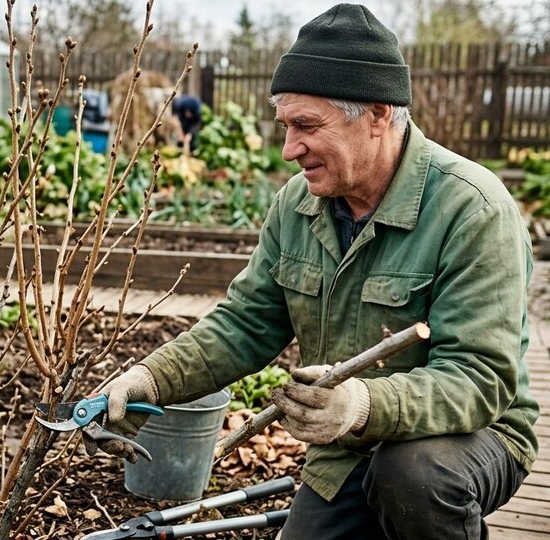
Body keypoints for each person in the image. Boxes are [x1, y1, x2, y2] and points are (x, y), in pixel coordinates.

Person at [89, 4, 538, 539]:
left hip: (469, 436)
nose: (288, 148)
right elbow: (246, 323)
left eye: (306, 125)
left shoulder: (472, 208)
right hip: (347, 446)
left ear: (376, 115)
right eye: (285, 125)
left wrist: (362, 405)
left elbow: (479, 378)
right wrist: (152, 377)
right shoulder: (298, 206)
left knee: (413, 477)